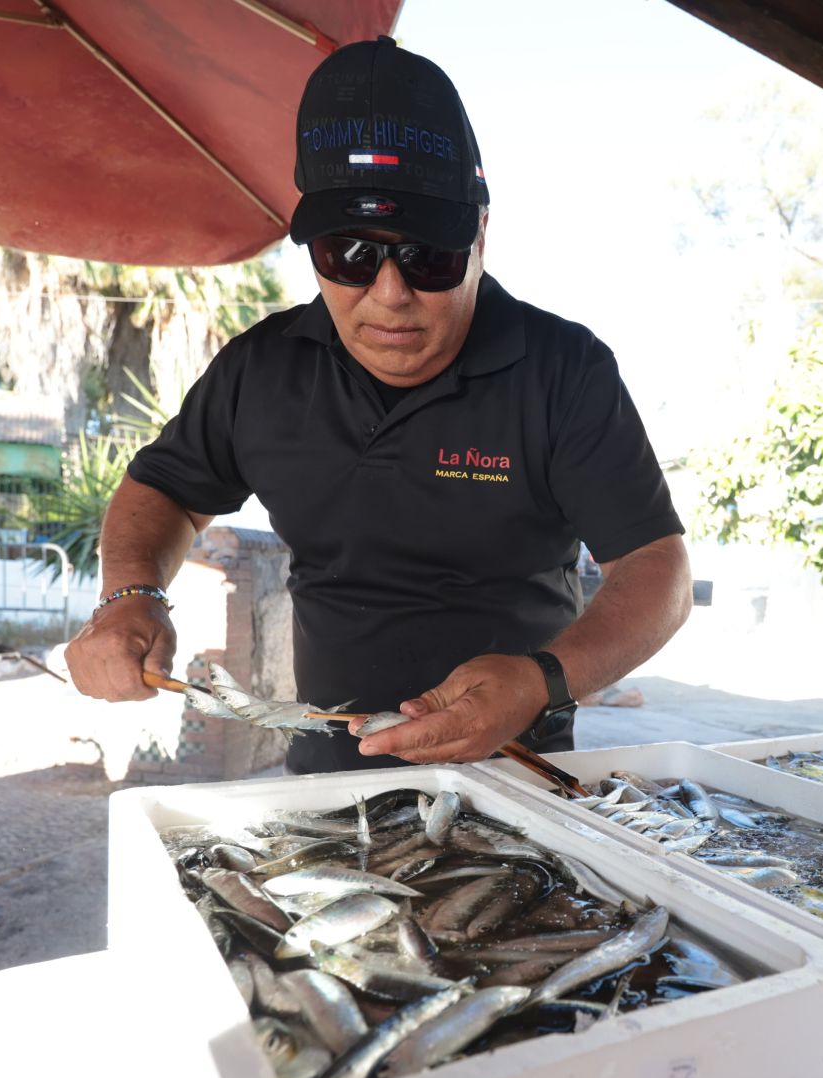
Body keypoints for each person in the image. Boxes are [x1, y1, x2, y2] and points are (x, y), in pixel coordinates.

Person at [66, 37, 691, 771]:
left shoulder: (562, 369)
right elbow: (166, 488)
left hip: (517, 767)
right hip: (328, 777)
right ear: (312, 249)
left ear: (480, 234)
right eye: (351, 255)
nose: (391, 294)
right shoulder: (262, 368)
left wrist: (540, 680)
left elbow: (658, 569)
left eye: (428, 257)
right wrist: (129, 594)